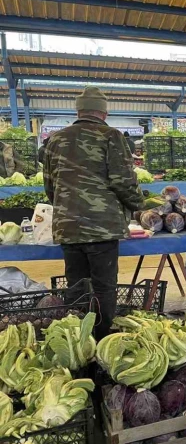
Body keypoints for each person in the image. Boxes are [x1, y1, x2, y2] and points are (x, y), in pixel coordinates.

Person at [43, 86, 144, 339]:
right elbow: (123, 181)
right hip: (101, 228)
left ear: (78, 110)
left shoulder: (55, 139)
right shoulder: (111, 136)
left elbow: (49, 185)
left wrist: (67, 211)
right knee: (103, 287)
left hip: (68, 227)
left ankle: (77, 340)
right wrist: (139, 206)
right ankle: (101, 339)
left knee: (76, 286)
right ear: (104, 112)